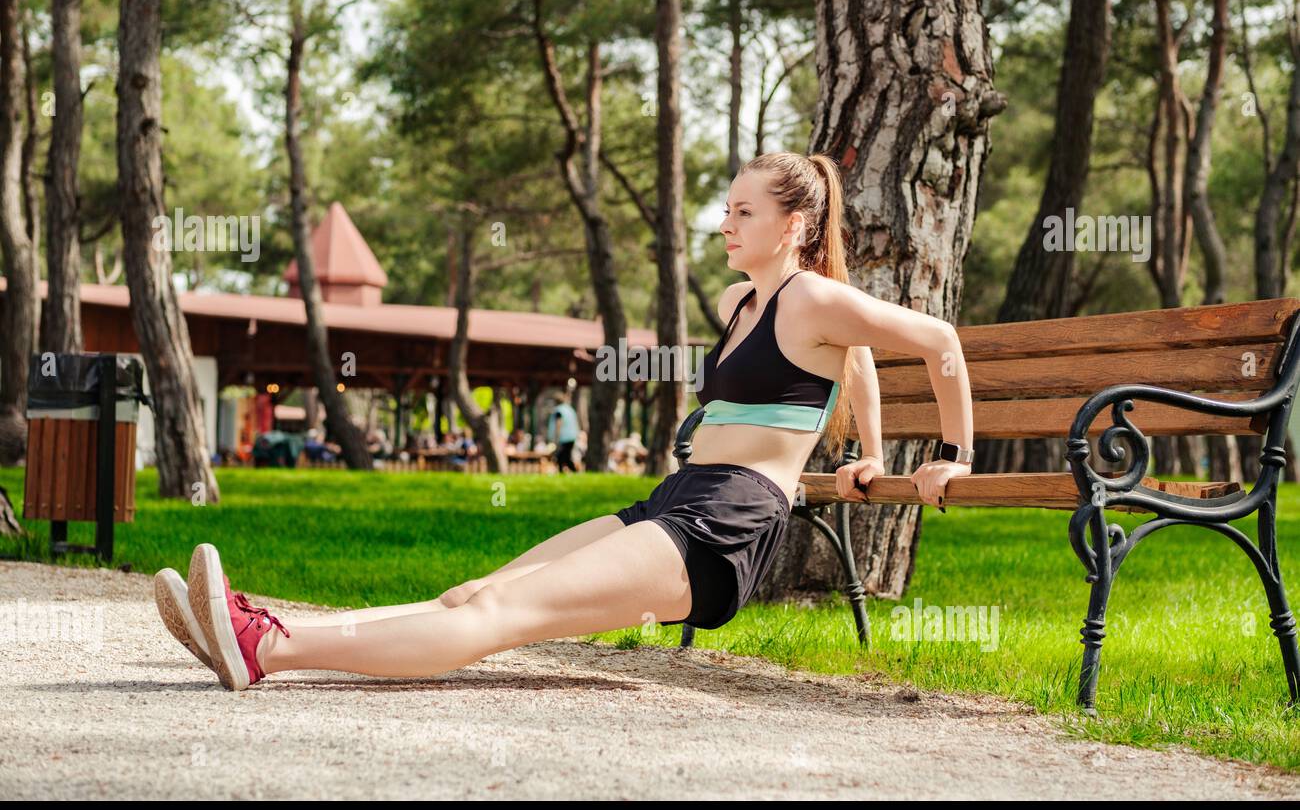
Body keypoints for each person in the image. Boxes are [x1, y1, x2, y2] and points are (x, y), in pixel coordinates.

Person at [153, 150, 975, 691]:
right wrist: (865, 450)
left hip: (725, 524)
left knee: (495, 620)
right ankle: (263, 625)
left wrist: (950, 454)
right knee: (473, 591)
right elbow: (856, 361)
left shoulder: (815, 297)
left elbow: (936, 342)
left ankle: (266, 651)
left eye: (743, 213)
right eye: (725, 209)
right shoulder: (742, 302)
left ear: (793, 224)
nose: (724, 224)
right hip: (675, 500)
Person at [546, 393, 579, 473]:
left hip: (564, 437)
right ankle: (565, 472)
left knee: (562, 457)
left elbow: (558, 424)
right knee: (564, 456)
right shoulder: (569, 409)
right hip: (572, 436)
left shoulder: (559, 411)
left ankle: (573, 472)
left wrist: (556, 438)